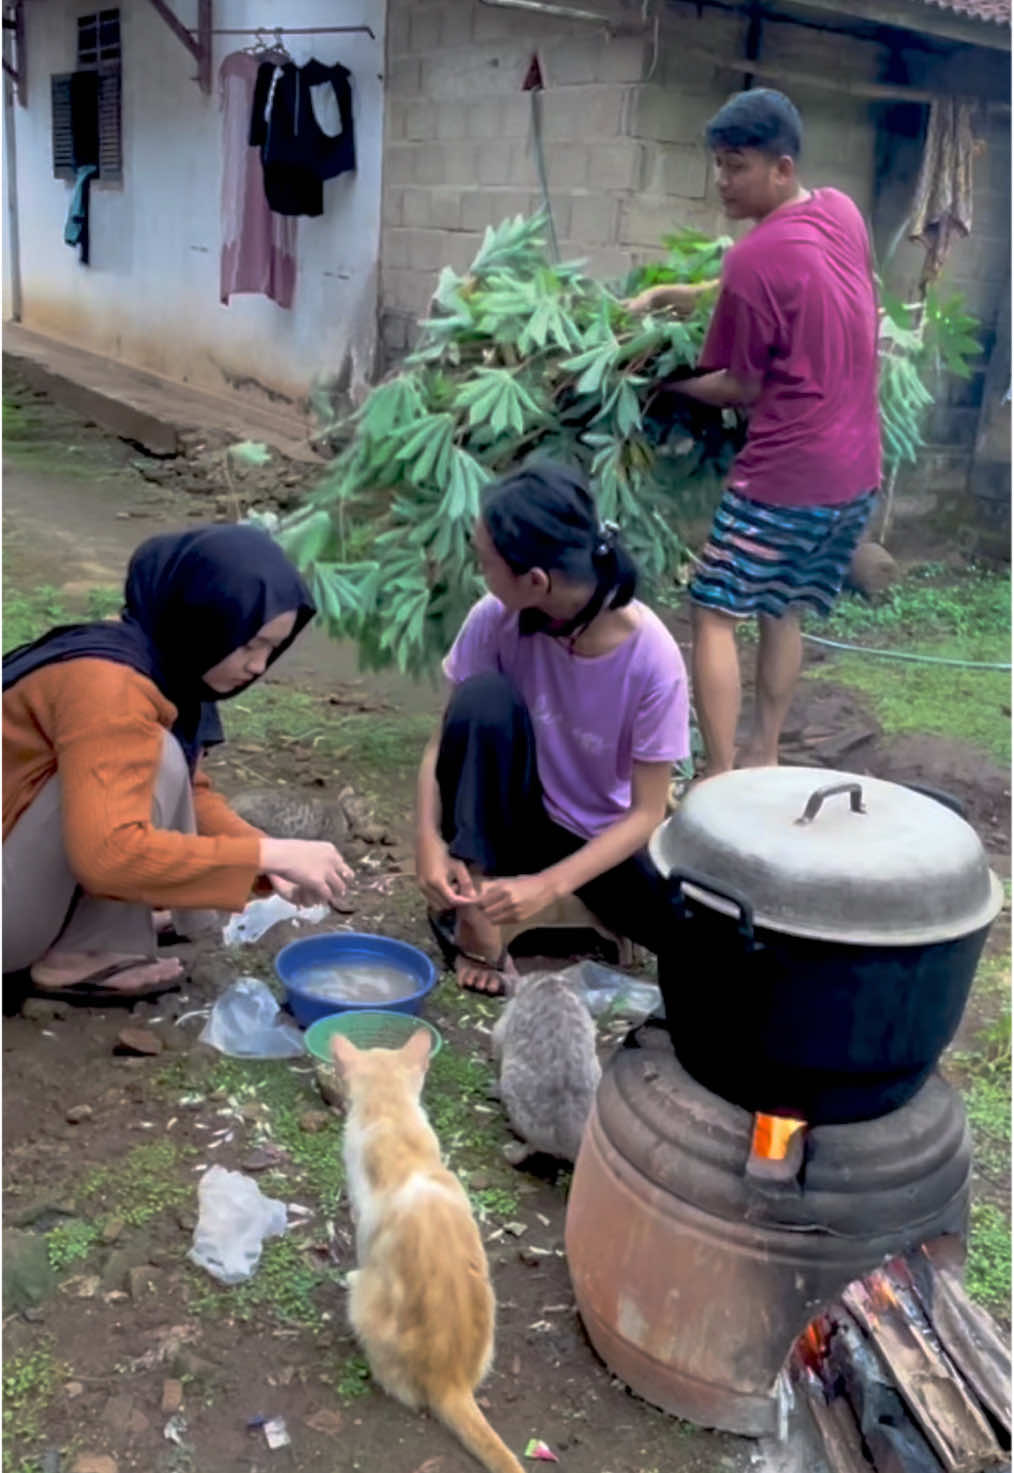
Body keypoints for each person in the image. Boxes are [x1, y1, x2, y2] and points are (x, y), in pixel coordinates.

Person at [629, 89, 881, 777]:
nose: (722, 181)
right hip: (858, 474)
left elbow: (740, 387)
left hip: (787, 477)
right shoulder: (840, 212)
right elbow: (775, 283)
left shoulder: (754, 259)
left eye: (736, 166)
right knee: (782, 604)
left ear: (781, 167)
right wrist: (667, 296)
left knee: (713, 609)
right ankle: (763, 752)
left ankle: (718, 775)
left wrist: (658, 385)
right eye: (718, 165)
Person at [2, 524, 353, 1003]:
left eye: (271, 649)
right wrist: (268, 857)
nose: (257, 666)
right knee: (157, 758)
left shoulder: (161, 669)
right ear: (203, 619)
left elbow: (189, 793)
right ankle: (86, 951)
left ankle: (97, 934)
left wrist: (268, 853)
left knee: (160, 763)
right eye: (248, 644)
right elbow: (109, 857)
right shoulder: (109, 685)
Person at [414, 462, 690, 995]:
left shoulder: (652, 659)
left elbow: (647, 814)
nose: (483, 578)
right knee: (481, 700)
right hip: (508, 821)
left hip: (595, 837)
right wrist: (428, 841)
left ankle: (506, 903)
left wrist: (549, 886)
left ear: (536, 581)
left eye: (486, 565)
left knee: (695, 936)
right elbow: (440, 744)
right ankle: (476, 912)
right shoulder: (494, 619)